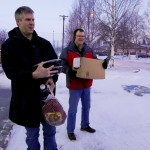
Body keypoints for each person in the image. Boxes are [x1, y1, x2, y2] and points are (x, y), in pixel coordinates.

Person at [1, 6, 59, 150]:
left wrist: (52, 79)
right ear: (18, 21)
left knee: (51, 132)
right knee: (32, 135)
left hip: (48, 99)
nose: (32, 22)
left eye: (33, 19)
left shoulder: (44, 44)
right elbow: (10, 73)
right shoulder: (9, 46)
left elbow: (55, 66)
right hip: (26, 101)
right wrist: (34, 75)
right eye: (28, 19)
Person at [60, 28, 108, 140]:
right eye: (79, 36)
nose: (81, 38)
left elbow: (95, 63)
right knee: (73, 109)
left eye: (82, 36)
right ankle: (70, 130)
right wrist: (68, 71)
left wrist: (103, 65)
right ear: (74, 37)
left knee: (86, 107)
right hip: (74, 85)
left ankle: (85, 125)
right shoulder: (67, 50)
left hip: (87, 85)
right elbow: (61, 64)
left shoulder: (89, 50)